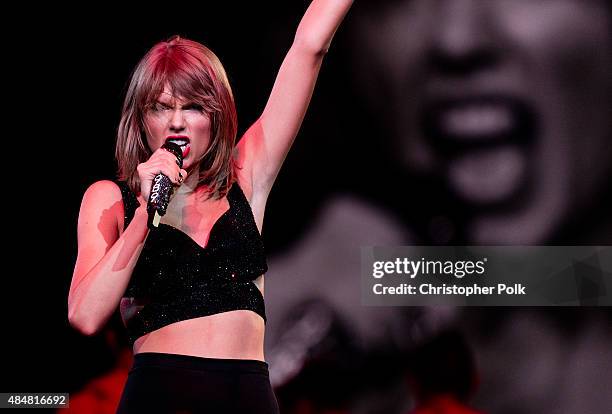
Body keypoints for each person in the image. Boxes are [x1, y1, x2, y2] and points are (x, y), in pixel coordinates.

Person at [67, 1, 354, 412]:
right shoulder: (111, 199)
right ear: (141, 119)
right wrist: (146, 214)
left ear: (215, 116)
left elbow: (309, 46)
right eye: (161, 107)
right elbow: (85, 315)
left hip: (248, 396)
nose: (177, 122)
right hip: (161, 396)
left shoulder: (247, 176)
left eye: (193, 107)